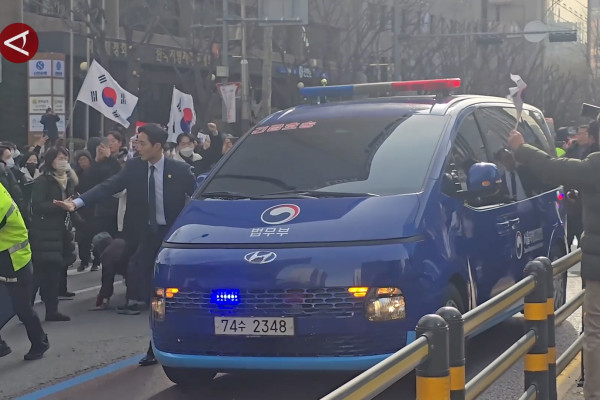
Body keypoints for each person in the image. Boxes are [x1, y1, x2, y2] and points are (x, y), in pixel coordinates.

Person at [53, 124, 196, 366]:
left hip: (173, 236)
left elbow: (199, 198)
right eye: (137, 142)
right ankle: (156, 344)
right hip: (146, 236)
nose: (136, 147)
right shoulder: (134, 168)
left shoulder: (180, 171)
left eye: (142, 143)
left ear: (157, 146)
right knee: (148, 288)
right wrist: (77, 203)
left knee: (176, 291)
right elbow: (108, 186)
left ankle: (184, 337)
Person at [508, 129, 600, 400]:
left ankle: (595, 393)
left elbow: (551, 168)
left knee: (595, 330)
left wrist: (521, 147)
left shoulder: (595, 165)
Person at [0, 183, 49, 361]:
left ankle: (40, 342)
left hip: (14, 261)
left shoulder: (0, 199)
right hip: (5, 258)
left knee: (22, 308)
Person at [29, 147, 78, 321]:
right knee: (40, 273)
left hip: (62, 232)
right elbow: (38, 205)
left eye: (65, 157)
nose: (63, 160)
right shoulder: (43, 181)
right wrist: (58, 205)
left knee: (54, 274)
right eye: (60, 157)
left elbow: (72, 204)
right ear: (50, 160)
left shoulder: (68, 181)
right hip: (44, 233)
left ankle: (52, 310)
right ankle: (25, 310)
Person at [89, 232, 128, 311]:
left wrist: (103, 297)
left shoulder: (107, 254)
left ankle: (132, 302)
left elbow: (107, 278)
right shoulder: (119, 241)